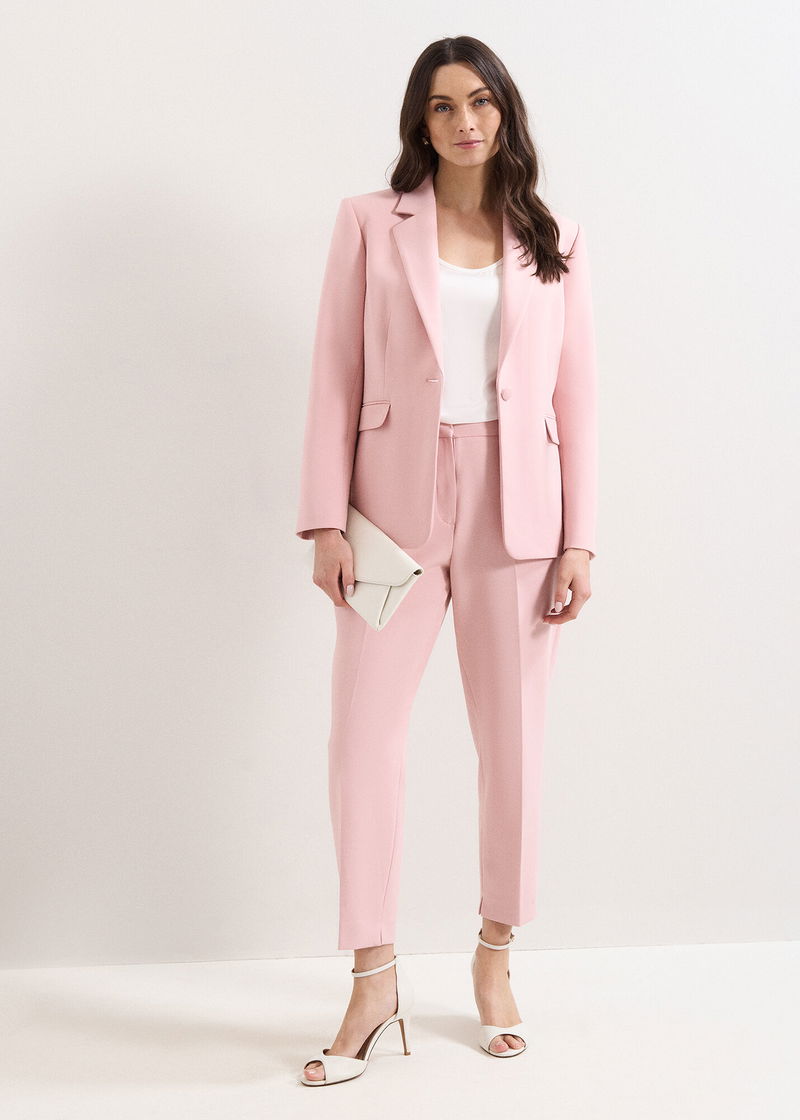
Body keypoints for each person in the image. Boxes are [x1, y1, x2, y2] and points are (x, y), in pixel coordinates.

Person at [295, 34, 598, 1086]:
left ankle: (495, 956)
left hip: (520, 514)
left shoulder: (553, 236)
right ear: (419, 123)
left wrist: (581, 536)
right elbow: (333, 370)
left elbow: (576, 396)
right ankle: (372, 979)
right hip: (391, 513)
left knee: (512, 746)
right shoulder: (368, 224)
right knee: (361, 742)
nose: (464, 121)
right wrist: (322, 519)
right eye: (441, 106)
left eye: (480, 102)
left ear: (504, 112)